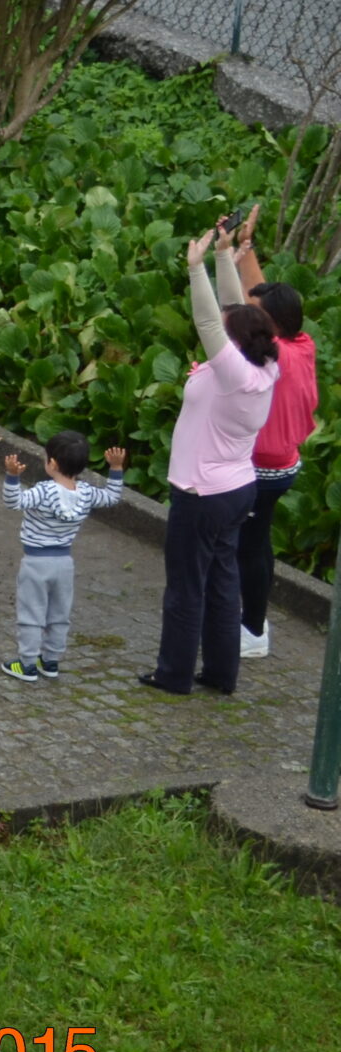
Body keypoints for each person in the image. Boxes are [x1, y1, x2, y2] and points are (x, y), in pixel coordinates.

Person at [143, 226, 281, 695]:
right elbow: (232, 312)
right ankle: (221, 675)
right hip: (235, 490)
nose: (221, 329)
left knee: (185, 587)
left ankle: (173, 674)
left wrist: (194, 267)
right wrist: (225, 257)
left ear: (234, 342)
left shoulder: (234, 371)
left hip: (200, 492)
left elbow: (208, 321)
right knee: (223, 584)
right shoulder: (265, 367)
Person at [224, 218, 317, 658]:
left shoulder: (271, 357)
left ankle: (253, 630)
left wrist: (221, 258)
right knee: (256, 543)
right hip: (284, 464)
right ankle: (250, 618)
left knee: (251, 547)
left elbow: (230, 315)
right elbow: (260, 301)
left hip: (261, 467)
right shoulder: (302, 343)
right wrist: (245, 249)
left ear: (270, 326)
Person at [1, 434, 127, 682]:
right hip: (64, 564)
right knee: (59, 614)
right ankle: (50, 661)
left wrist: (12, 477)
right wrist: (115, 468)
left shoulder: (43, 491)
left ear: (53, 463)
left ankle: (26, 664)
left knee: (31, 614)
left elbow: (13, 501)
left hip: (36, 563)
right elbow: (112, 497)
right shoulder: (87, 493)